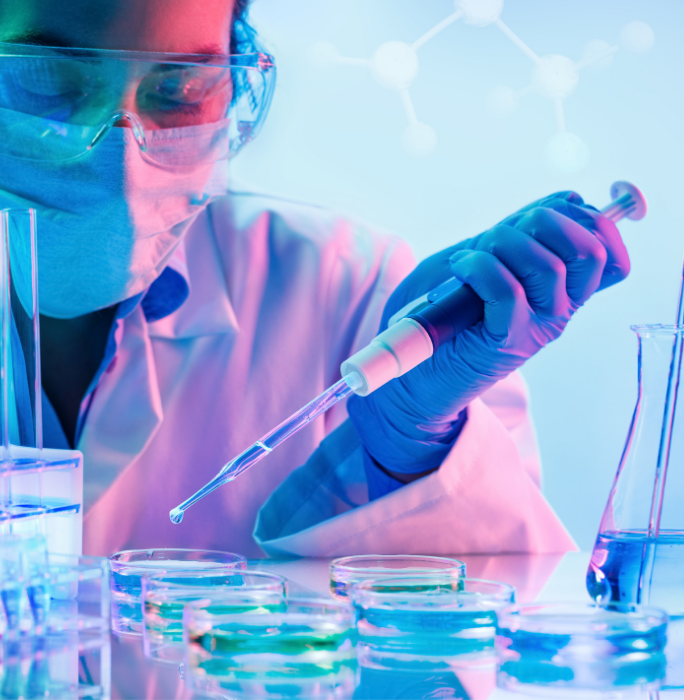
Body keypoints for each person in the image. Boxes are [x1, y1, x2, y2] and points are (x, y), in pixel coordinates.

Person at [0, 0, 630, 557]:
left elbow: (483, 631)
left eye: (183, 88)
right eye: (44, 77)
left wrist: (410, 443)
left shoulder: (349, 288)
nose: (119, 155)